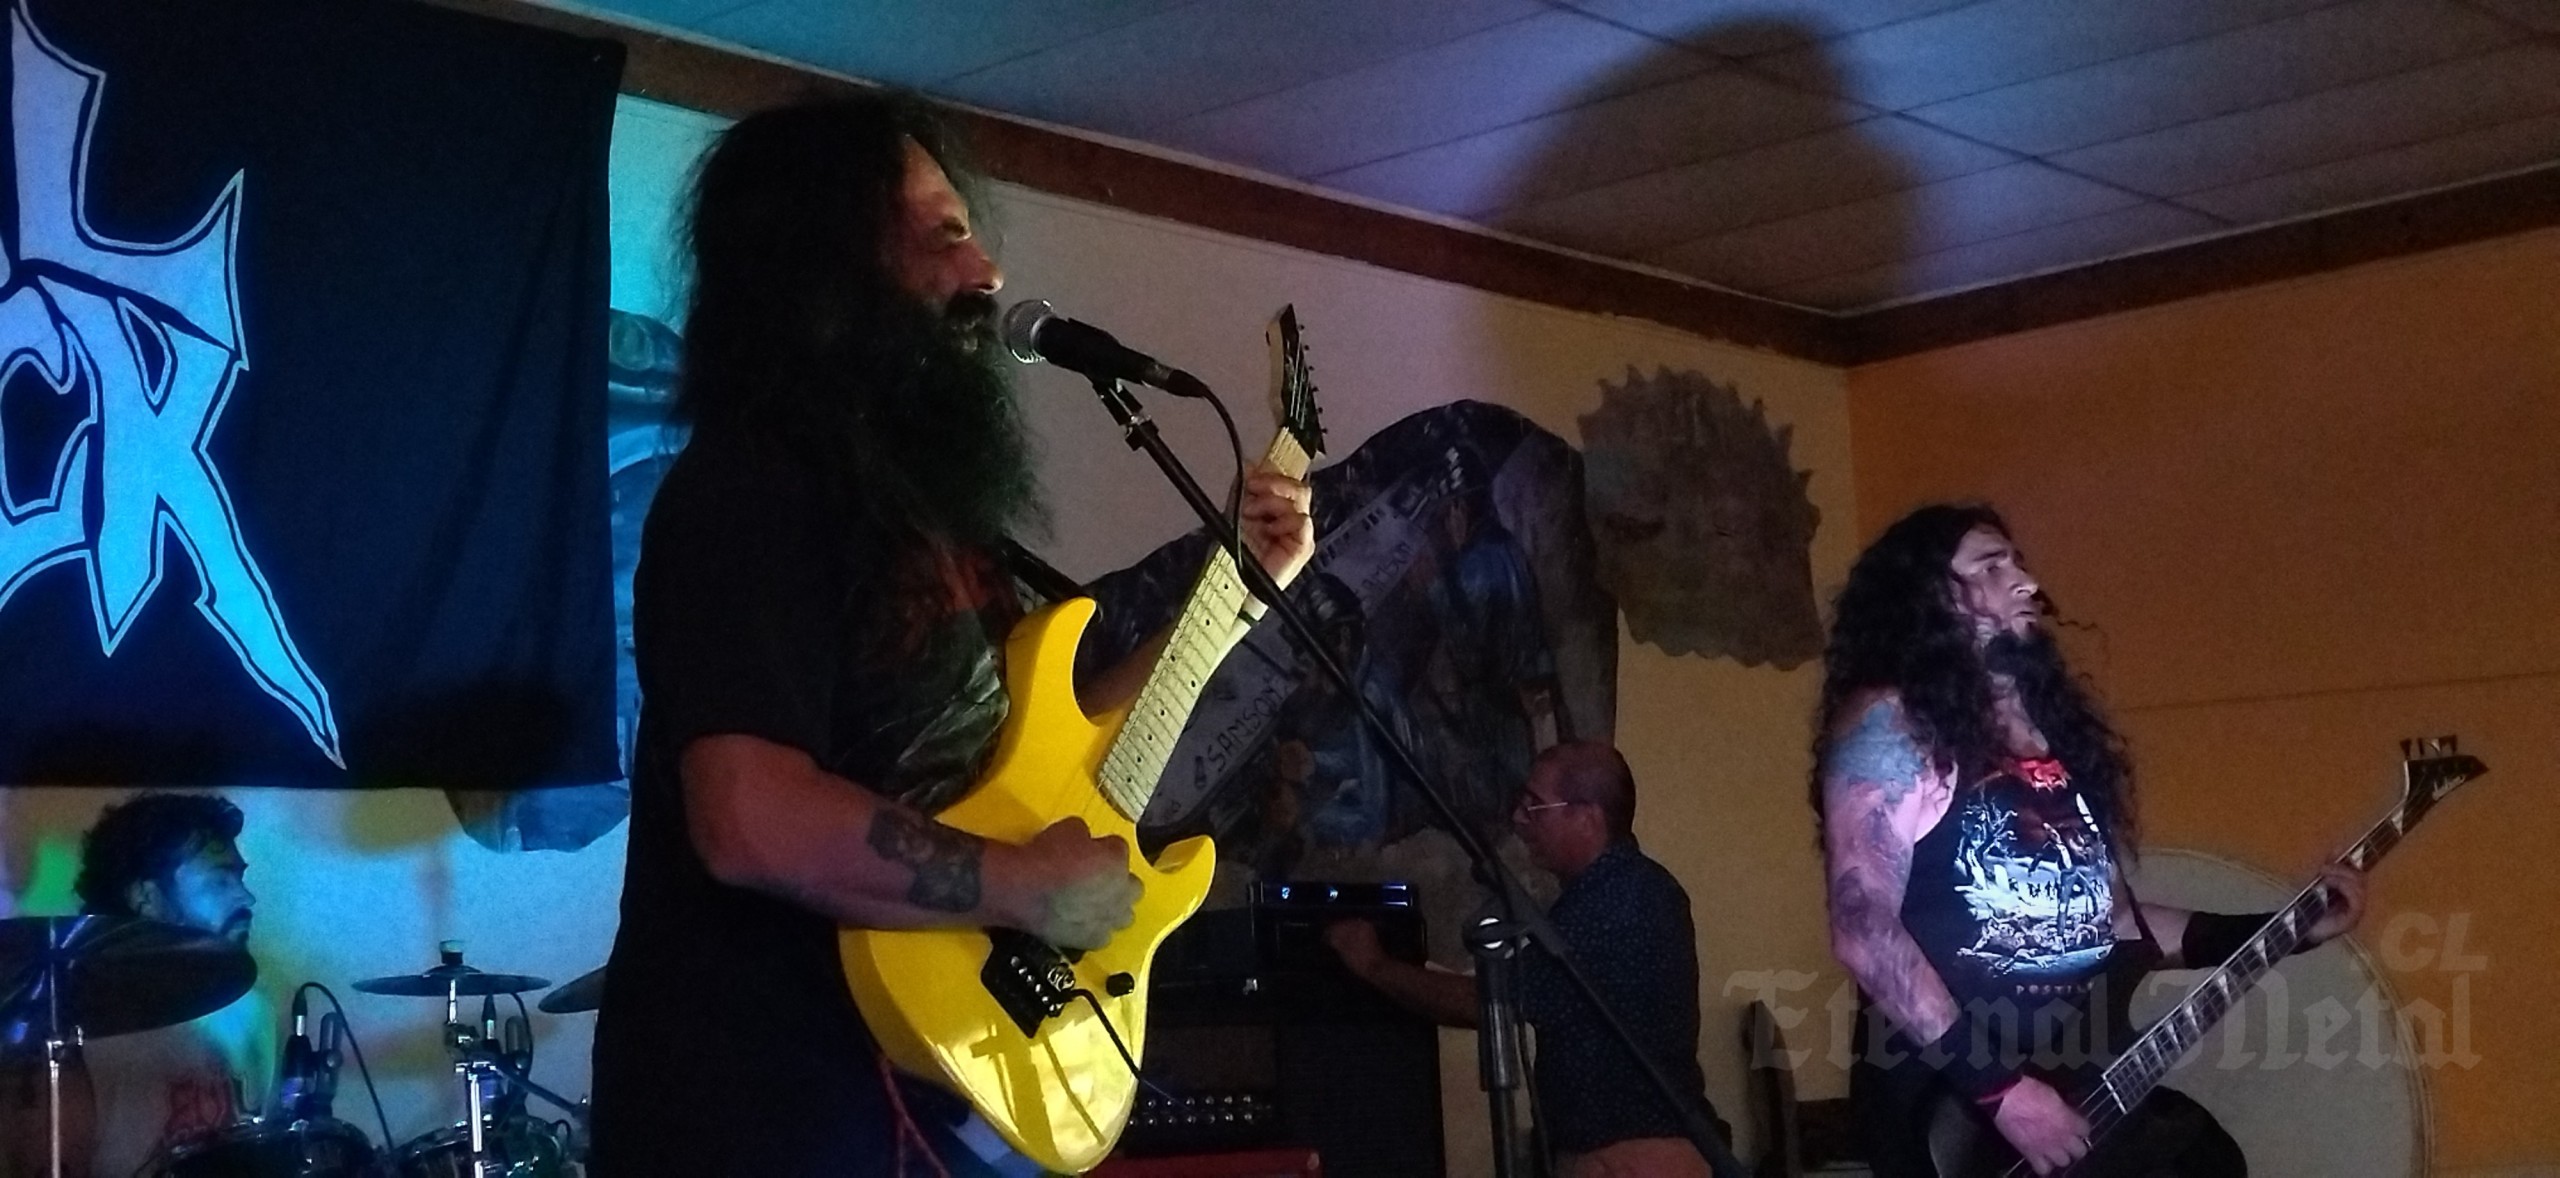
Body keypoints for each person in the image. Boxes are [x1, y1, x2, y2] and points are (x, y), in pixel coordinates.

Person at [589, 91, 1314, 1177]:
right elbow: (747, 814)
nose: (987, 271)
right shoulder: (752, 488)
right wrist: (1021, 886)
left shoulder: (928, 517)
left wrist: (1235, 596)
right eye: (942, 235)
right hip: (767, 1105)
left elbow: (1038, 760)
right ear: (827, 268)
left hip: (934, 1091)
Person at [1812, 504, 2367, 1177]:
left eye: (2018, 562)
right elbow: (1863, 926)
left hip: (2071, 1073)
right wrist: (1999, 1091)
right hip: (1953, 1106)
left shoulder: (2043, 739)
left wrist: (2289, 927)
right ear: (1931, 595)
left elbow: (2117, 923)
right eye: (1991, 565)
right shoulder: (1893, 726)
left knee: (2206, 1160)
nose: (2025, 581)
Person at [1325, 741, 1728, 1178]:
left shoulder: (1612, 901)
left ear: (1587, 817)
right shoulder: (1626, 889)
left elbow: (1490, 1002)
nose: (1519, 818)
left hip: (1631, 1162)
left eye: (1535, 805)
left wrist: (1374, 966)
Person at [24, 793, 267, 1178]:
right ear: (146, 898)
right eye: (220, 880)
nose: (247, 897)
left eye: (239, 877)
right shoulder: (69, 1035)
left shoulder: (246, 1013)